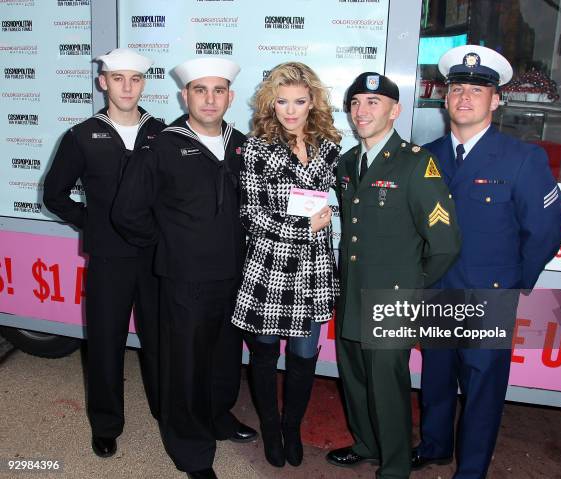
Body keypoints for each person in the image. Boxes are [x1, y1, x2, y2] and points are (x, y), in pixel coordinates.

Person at [413, 45, 561, 479]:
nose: (464, 97)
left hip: (488, 296)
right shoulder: (426, 156)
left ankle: (471, 470)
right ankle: (435, 446)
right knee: (437, 377)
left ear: (496, 100)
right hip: (438, 289)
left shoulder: (522, 159)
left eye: (477, 91)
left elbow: (545, 232)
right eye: (456, 88)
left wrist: (512, 284)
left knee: (482, 387)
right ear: (444, 97)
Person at [111, 57, 256, 479]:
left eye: (218, 91)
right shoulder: (162, 145)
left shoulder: (240, 143)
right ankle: (190, 449)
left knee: (225, 358)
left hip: (233, 275)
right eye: (200, 90)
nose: (209, 99)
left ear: (230, 97)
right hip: (184, 279)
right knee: (185, 365)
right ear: (184, 95)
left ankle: (217, 415)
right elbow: (127, 211)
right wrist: (169, 244)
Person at [326, 72, 461, 479]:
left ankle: (396, 465)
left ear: (395, 111)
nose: (362, 111)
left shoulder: (417, 162)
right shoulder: (349, 161)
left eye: (373, 103)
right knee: (355, 378)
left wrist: (411, 291)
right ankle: (367, 444)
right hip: (351, 292)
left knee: (387, 387)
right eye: (355, 103)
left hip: (393, 299)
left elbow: (445, 243)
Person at [43, 48, 164, 459]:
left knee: (161, 341)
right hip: (109, 261)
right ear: (103, 82)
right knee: (106, 343)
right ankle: (107, 423)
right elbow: (54, 195)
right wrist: (93, 223)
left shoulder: (162, 132)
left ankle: (167, 411)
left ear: (143, 83)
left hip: (156, 259)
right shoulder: (81, 134)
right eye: (118, 79)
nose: (127, 87)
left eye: (135, 79)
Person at [231, 62, 341, 468]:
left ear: (312, 101)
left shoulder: (330, 146)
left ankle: (292, 427)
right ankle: (271, 427)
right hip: (270, 268)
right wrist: (303, 225)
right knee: (262, 355)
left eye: (299, 100)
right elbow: (251, 215)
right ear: (270, 103)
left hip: (313, 269)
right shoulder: (257, 148)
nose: (290, 110)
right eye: (282, 101)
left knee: (303, 355)